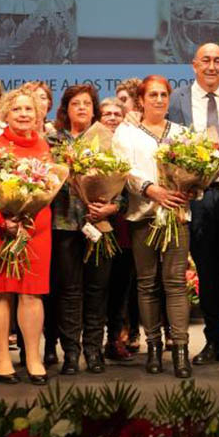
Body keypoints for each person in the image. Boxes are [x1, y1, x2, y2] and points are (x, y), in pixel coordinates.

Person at [167, 42, 219, 366]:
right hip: (196, 199)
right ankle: (214, 341)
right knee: (206, 272)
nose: (212, 66)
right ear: (194, 65)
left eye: (218, 60)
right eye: (206, 60)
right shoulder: (176, 100)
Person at [0, 87, 52, 384]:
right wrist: (1, 219)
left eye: (29, 109)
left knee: (31, 292)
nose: (23, 114)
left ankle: (32, 357)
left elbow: (49, 188)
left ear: (38, 114)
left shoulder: (45, 147)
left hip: (34, 229)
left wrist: (25, 216)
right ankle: (3, 356)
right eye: (17, 109)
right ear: (6, 114)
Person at [113, 75, 193, 377]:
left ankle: (182, 350)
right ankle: (154, 348)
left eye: (163, 95)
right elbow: (124, 172)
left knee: (175, 284)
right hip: (143, 216)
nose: (159, 100)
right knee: (147, 284)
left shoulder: (183, 134)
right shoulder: (126, 133)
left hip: (176, 216)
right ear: (141, 100)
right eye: (153, 95)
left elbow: (196, 168)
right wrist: (150, 189)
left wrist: (191, 188)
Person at [44, 84, 119, 375]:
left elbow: (121, 184)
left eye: (87, 103)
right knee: (69, 291)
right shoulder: (52, 142)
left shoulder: (107, 140)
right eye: (76, 103)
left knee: (97, 290)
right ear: (66, 109)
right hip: (63, 224)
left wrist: (112, 207)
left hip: (99, 224)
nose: (82, 108)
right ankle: (71, 354)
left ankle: (94, 350)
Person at [98, 97, 135, 363]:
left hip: (123, 225)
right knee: (98, 287)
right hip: (94, 225)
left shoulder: (130, 145)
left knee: (121, 286)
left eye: (116, 114)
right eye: (106, 113)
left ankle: (115, 338)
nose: (112, 117)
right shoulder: (89, 146)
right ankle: (91, 342)